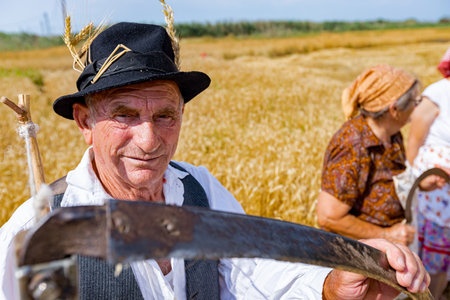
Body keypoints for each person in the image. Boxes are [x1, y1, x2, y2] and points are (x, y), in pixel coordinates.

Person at [0, 23, 429, 300]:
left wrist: (332, 287)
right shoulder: (36, 231)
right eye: (124, 115)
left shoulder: (200, 189)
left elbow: (255, 271)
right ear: (84, 120)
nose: (149, 140)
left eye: (165, 115)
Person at [317, 64, 421, 246]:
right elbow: (328, 217)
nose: (417, 106)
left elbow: (390, 179)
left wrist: (421, 182)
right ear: (394, 110)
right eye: (414, 101)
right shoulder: (354, 145)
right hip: (360, 256)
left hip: (386, 248)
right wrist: (387, 235)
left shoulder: (393, 133)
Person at [406, 46, 450, 300]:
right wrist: (417, 181)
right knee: (434, 254)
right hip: (435, 191)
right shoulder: (437, 93)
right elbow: (414, 142)